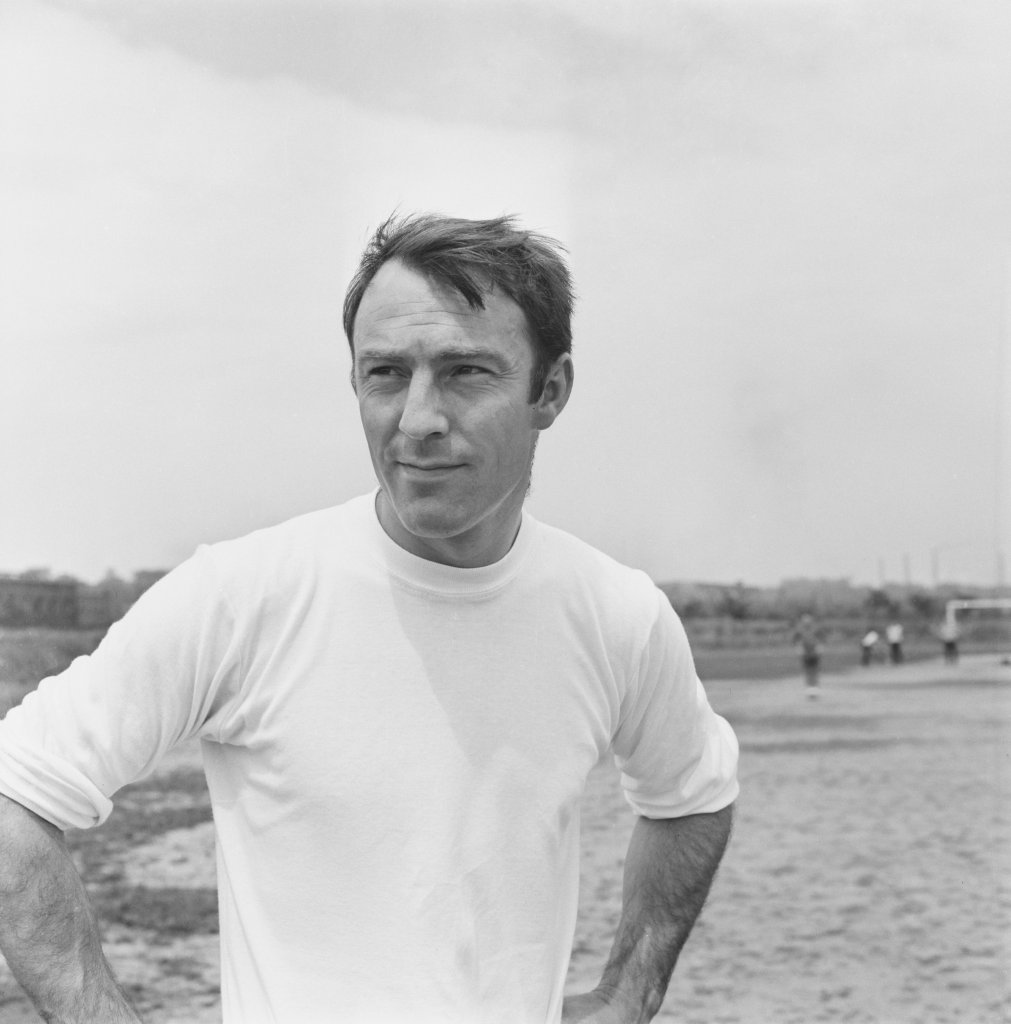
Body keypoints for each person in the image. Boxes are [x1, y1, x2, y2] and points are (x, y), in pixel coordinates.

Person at [0, 214, 739, 1024]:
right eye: (386, 373)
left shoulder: (616, 615)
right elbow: (14, 795)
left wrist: (630, 993)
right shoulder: (242, 596)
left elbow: (693, 793)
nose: (417, 419)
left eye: (465, 372)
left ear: (550, 390)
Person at [792, 613, 823, 698]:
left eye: (808, 620)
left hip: (814, 653)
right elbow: (795, 640)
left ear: (811, 621)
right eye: (805, 620)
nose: (807, 622)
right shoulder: (799, 631)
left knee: (815, 670)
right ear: (802, 621)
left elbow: (821, 640)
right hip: (805, 653)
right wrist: (798, 648)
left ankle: (815, 687)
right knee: (807, 670)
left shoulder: (816, 630)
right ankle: (809, 687)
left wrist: (819, 647)